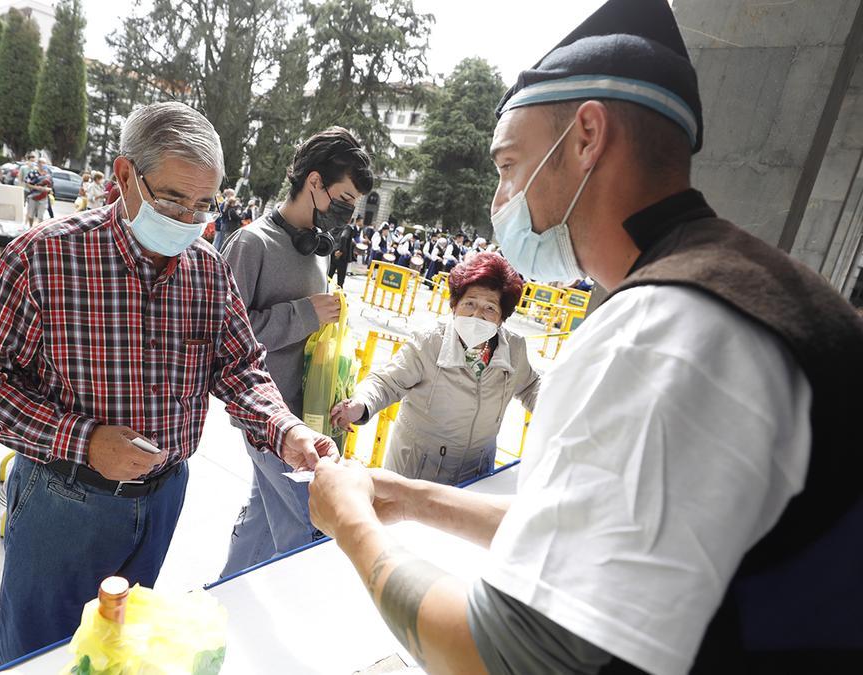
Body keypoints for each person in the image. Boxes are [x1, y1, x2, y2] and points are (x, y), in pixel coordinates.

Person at [307, 0, 863, 672]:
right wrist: (409, 497)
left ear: (586, 136)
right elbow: (594, 537)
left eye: (510, 166)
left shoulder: (660, 334)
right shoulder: (748, 289)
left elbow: (504, 653)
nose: (502, 198)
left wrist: (354, 527)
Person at [0, 101, 338, 668]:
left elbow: (240, 367)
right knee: (39, 653)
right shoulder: (47, 255)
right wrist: (80, 440)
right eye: (173, 199)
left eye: (205, 205)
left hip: (163, 497)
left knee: (118, 650)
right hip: (64, 497)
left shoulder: (207, 270)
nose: (188, 219)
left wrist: (286, 430)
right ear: (124, 175)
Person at [218, 127, 372, 577]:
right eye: (344, 197)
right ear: (314, 182)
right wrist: (304, 314)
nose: (347, 212)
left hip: (307, 414)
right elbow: (225, 339)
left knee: (263, 520)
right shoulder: (251, 244)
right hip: (265, 414)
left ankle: (224, 592)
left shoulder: (316, 248)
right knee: (308, 526)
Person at [331, 253, 539, 483]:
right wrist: (360, 404)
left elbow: (531, 386)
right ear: (454, 305)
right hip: (417, 474)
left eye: (490, 308)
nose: (477, 315)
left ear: (502, 318)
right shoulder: (429, 341)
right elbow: (386, 382)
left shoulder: (514, 349)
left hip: (475, 475)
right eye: (469, 303)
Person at [328, 212, 359, 288]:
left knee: (328, 277)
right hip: (341, 257)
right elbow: (344, 237)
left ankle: (324, 292)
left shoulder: (334, 226)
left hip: (332, 254)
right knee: (340, 279)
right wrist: (341, 250)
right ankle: (338, 296)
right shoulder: (347, 227)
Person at [21, 157, 53, 226]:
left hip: (44, 198)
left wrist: (48, 190)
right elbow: (27, 183)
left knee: (40, 216)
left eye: (44, 163)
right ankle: (30, 227)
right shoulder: (32, 173)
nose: (42, 164)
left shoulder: (48, 174)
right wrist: (37, 188)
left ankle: (38, 231)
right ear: (38, 164)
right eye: (41, 163)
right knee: (30, 215)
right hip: (33, 197)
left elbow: (51, 186)